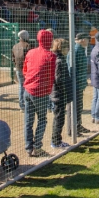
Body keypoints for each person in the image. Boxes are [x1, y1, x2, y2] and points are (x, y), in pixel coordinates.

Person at [23, 29, 56, 157]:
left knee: (28, 120)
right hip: (40, 92)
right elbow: (51, 76)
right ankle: (37, 147)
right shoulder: (50, 56)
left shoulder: (31, 52)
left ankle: (28, 147)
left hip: (28, 89)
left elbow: (25, 70)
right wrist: (47, 90)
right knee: (42, 119)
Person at [66, 33, 91, 136]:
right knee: (73, 107)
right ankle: (72, 130)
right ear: (82, 40)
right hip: (75, 84)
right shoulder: (76, 51)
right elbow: (71, 70)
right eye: (88, 39)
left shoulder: (80, 50)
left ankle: (78, 125)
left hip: (79, 83)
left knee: (79, 106)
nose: (89, 42)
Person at [50, 38, 72, 149]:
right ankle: (56, 142)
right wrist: (65, 91)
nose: (68, 49)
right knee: (59, 118)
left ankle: (56, 141)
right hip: (58, 94)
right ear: (61, 48)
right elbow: (58, 79)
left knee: (58, 118)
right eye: (67, 47)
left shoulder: (58, 58)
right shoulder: (59, 60)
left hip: (57, 93)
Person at [12, 30, 30, 111]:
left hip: (18, 68)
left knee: (21, 86)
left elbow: (13, 58)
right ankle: (27, 104)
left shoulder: (15, 46)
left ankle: (21, 105)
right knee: (27, 86)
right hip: (27, 69)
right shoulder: (28, 45)